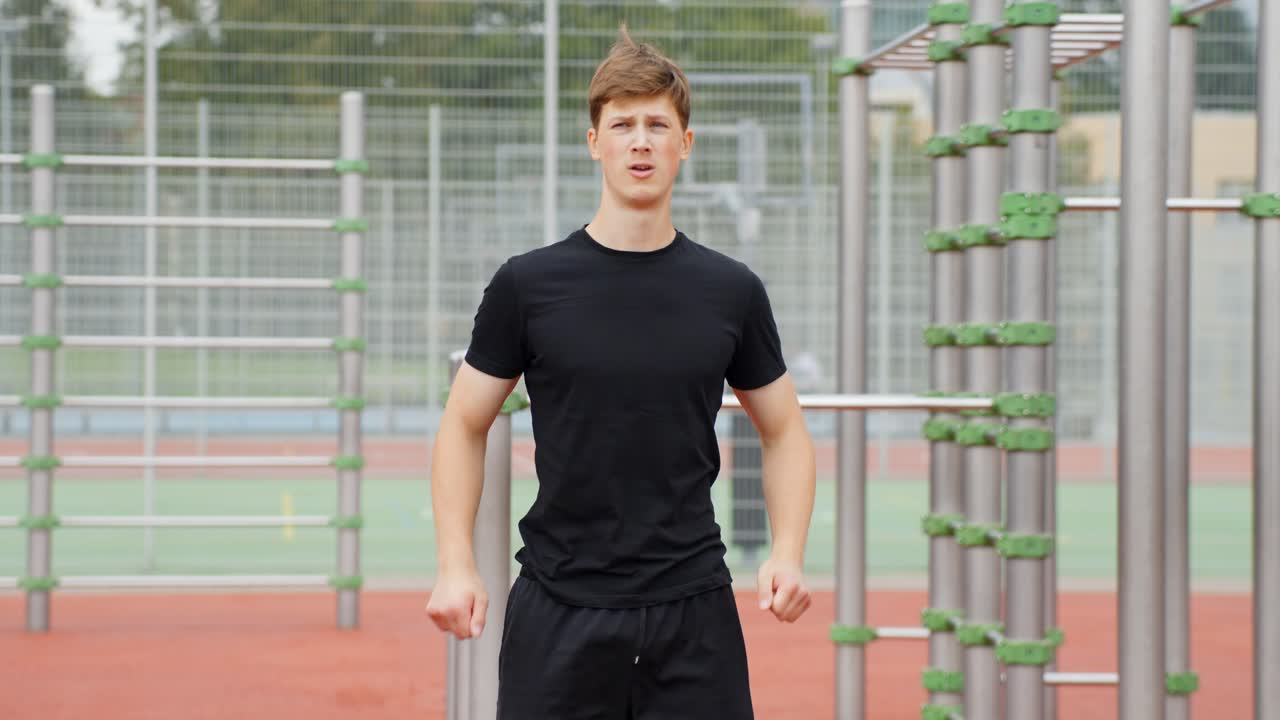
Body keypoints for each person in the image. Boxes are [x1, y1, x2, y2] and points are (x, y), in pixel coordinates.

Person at [425, 26, 817, 719]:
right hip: (560, 610)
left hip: (693, 611)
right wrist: (456, 562)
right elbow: (463, 422)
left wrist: (787, 551)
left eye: (658, 125)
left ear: (685, 145)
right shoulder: (527, 286)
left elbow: (784, 429)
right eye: (624, 124)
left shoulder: (731, 291)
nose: (641, 140)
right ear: (595, 141)